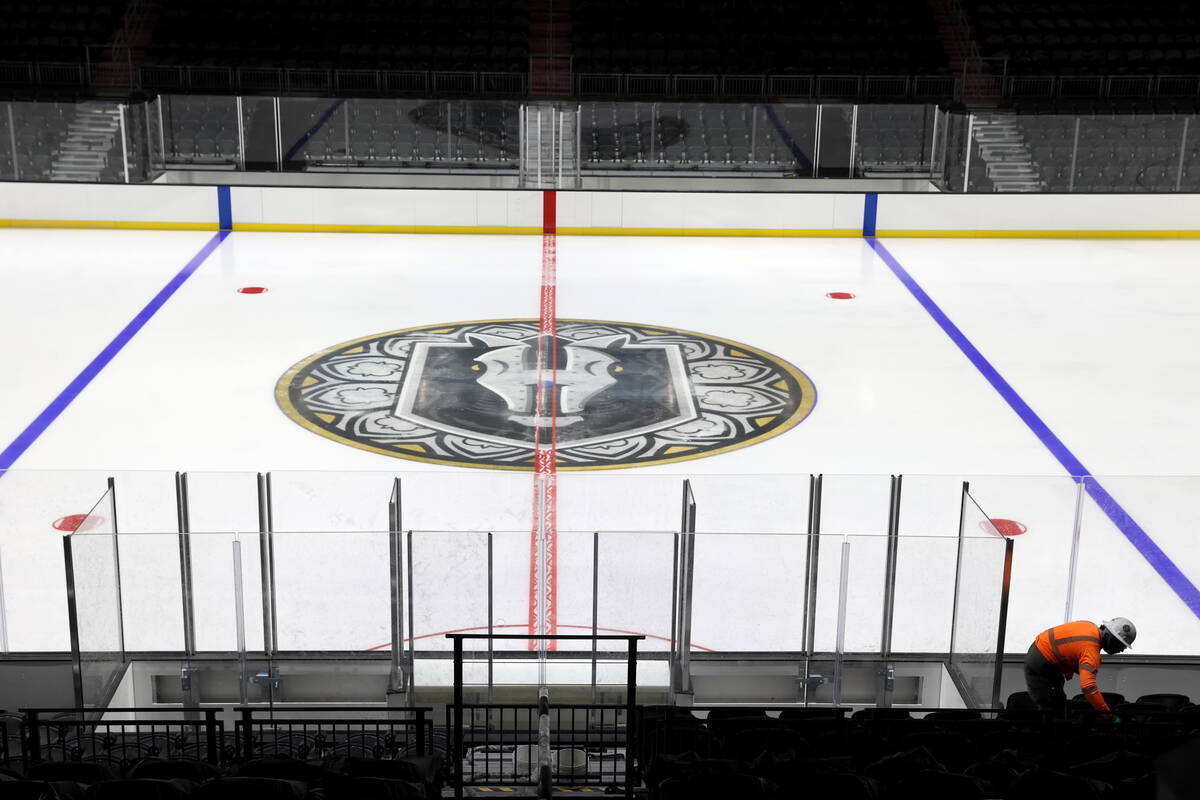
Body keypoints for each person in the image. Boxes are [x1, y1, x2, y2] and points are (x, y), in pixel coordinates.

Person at [1023, 617, 1136, 718]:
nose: (1121, 650)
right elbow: (1088, 687)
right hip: (1042, 664)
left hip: (1042, 655)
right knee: (1050, 710)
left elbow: (1072, 649)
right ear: (1111, 639)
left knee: (1057, 702)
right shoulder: (1091, 651)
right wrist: (1107, 714)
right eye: (1121, 645)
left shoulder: (1088, 626)